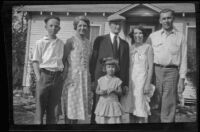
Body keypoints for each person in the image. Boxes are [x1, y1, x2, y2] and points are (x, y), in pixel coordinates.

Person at [146, 9, 187, 122]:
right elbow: (145, 57)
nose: (166, 20)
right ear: (160, 21)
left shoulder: (180, 36)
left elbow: (183, 59)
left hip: (172, 73)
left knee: (169, 104)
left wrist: (182, 79)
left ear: (173, 19)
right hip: (155, 71)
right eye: (164, 18)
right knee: (154, 102)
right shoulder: (152, 36)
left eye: (169, 18)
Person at [90, 14, 129, 124]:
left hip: (117, 84)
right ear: (110, 24)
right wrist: (93, 79)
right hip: (102, 81)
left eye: (119, 24)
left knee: (114, 111)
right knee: (98, 109)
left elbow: (126, 65)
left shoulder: (125, 44)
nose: (118, 27)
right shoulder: (100, 40)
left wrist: (125, 83)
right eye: (115, 24)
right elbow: (94, 60)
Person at [32, 16, 64, 124]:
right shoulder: (40, 42)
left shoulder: (61, 43)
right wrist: (38, 78)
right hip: (44, 75)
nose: (53, 28)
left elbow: (63, 61)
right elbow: (35, 61)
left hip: (58, 77)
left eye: (56, 26)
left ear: (59, 28)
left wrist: (62, 75)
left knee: (54, 110)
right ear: (46, 27)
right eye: (51, 25)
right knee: (40, 108)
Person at [61, 16, 92, 124]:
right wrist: (65, 77)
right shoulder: (70, 41)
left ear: (87, 27)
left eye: (85, 26)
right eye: (80, 25)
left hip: (84, 79)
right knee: (70, 107)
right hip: (72, 78)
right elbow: (63, 60)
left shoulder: (89, 43)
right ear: (75, 27)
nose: (82, 28)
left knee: (79, 109)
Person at [121, 25, 154, 123]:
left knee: (140, 109)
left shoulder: (148, 48)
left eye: (140, 33)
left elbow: (150, 67)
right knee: (131, 109)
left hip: (142, 82)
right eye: (135, 33)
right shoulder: (130, 48)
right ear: (132, 35)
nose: (138, 35)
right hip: (131, 82)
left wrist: (147, 84)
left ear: (144, 35)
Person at [95, 57, 123, 124]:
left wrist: (114, 90)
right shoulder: (101, 79)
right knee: (103, 121)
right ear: (105, 69)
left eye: (113, 67)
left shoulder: (117, 80)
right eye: (109, 67)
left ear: (116, 69)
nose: (111, 69)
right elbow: (97, 91)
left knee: (113, 121)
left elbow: (120, 92)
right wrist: (101, 92)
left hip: (113, 104)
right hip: (103, 104)